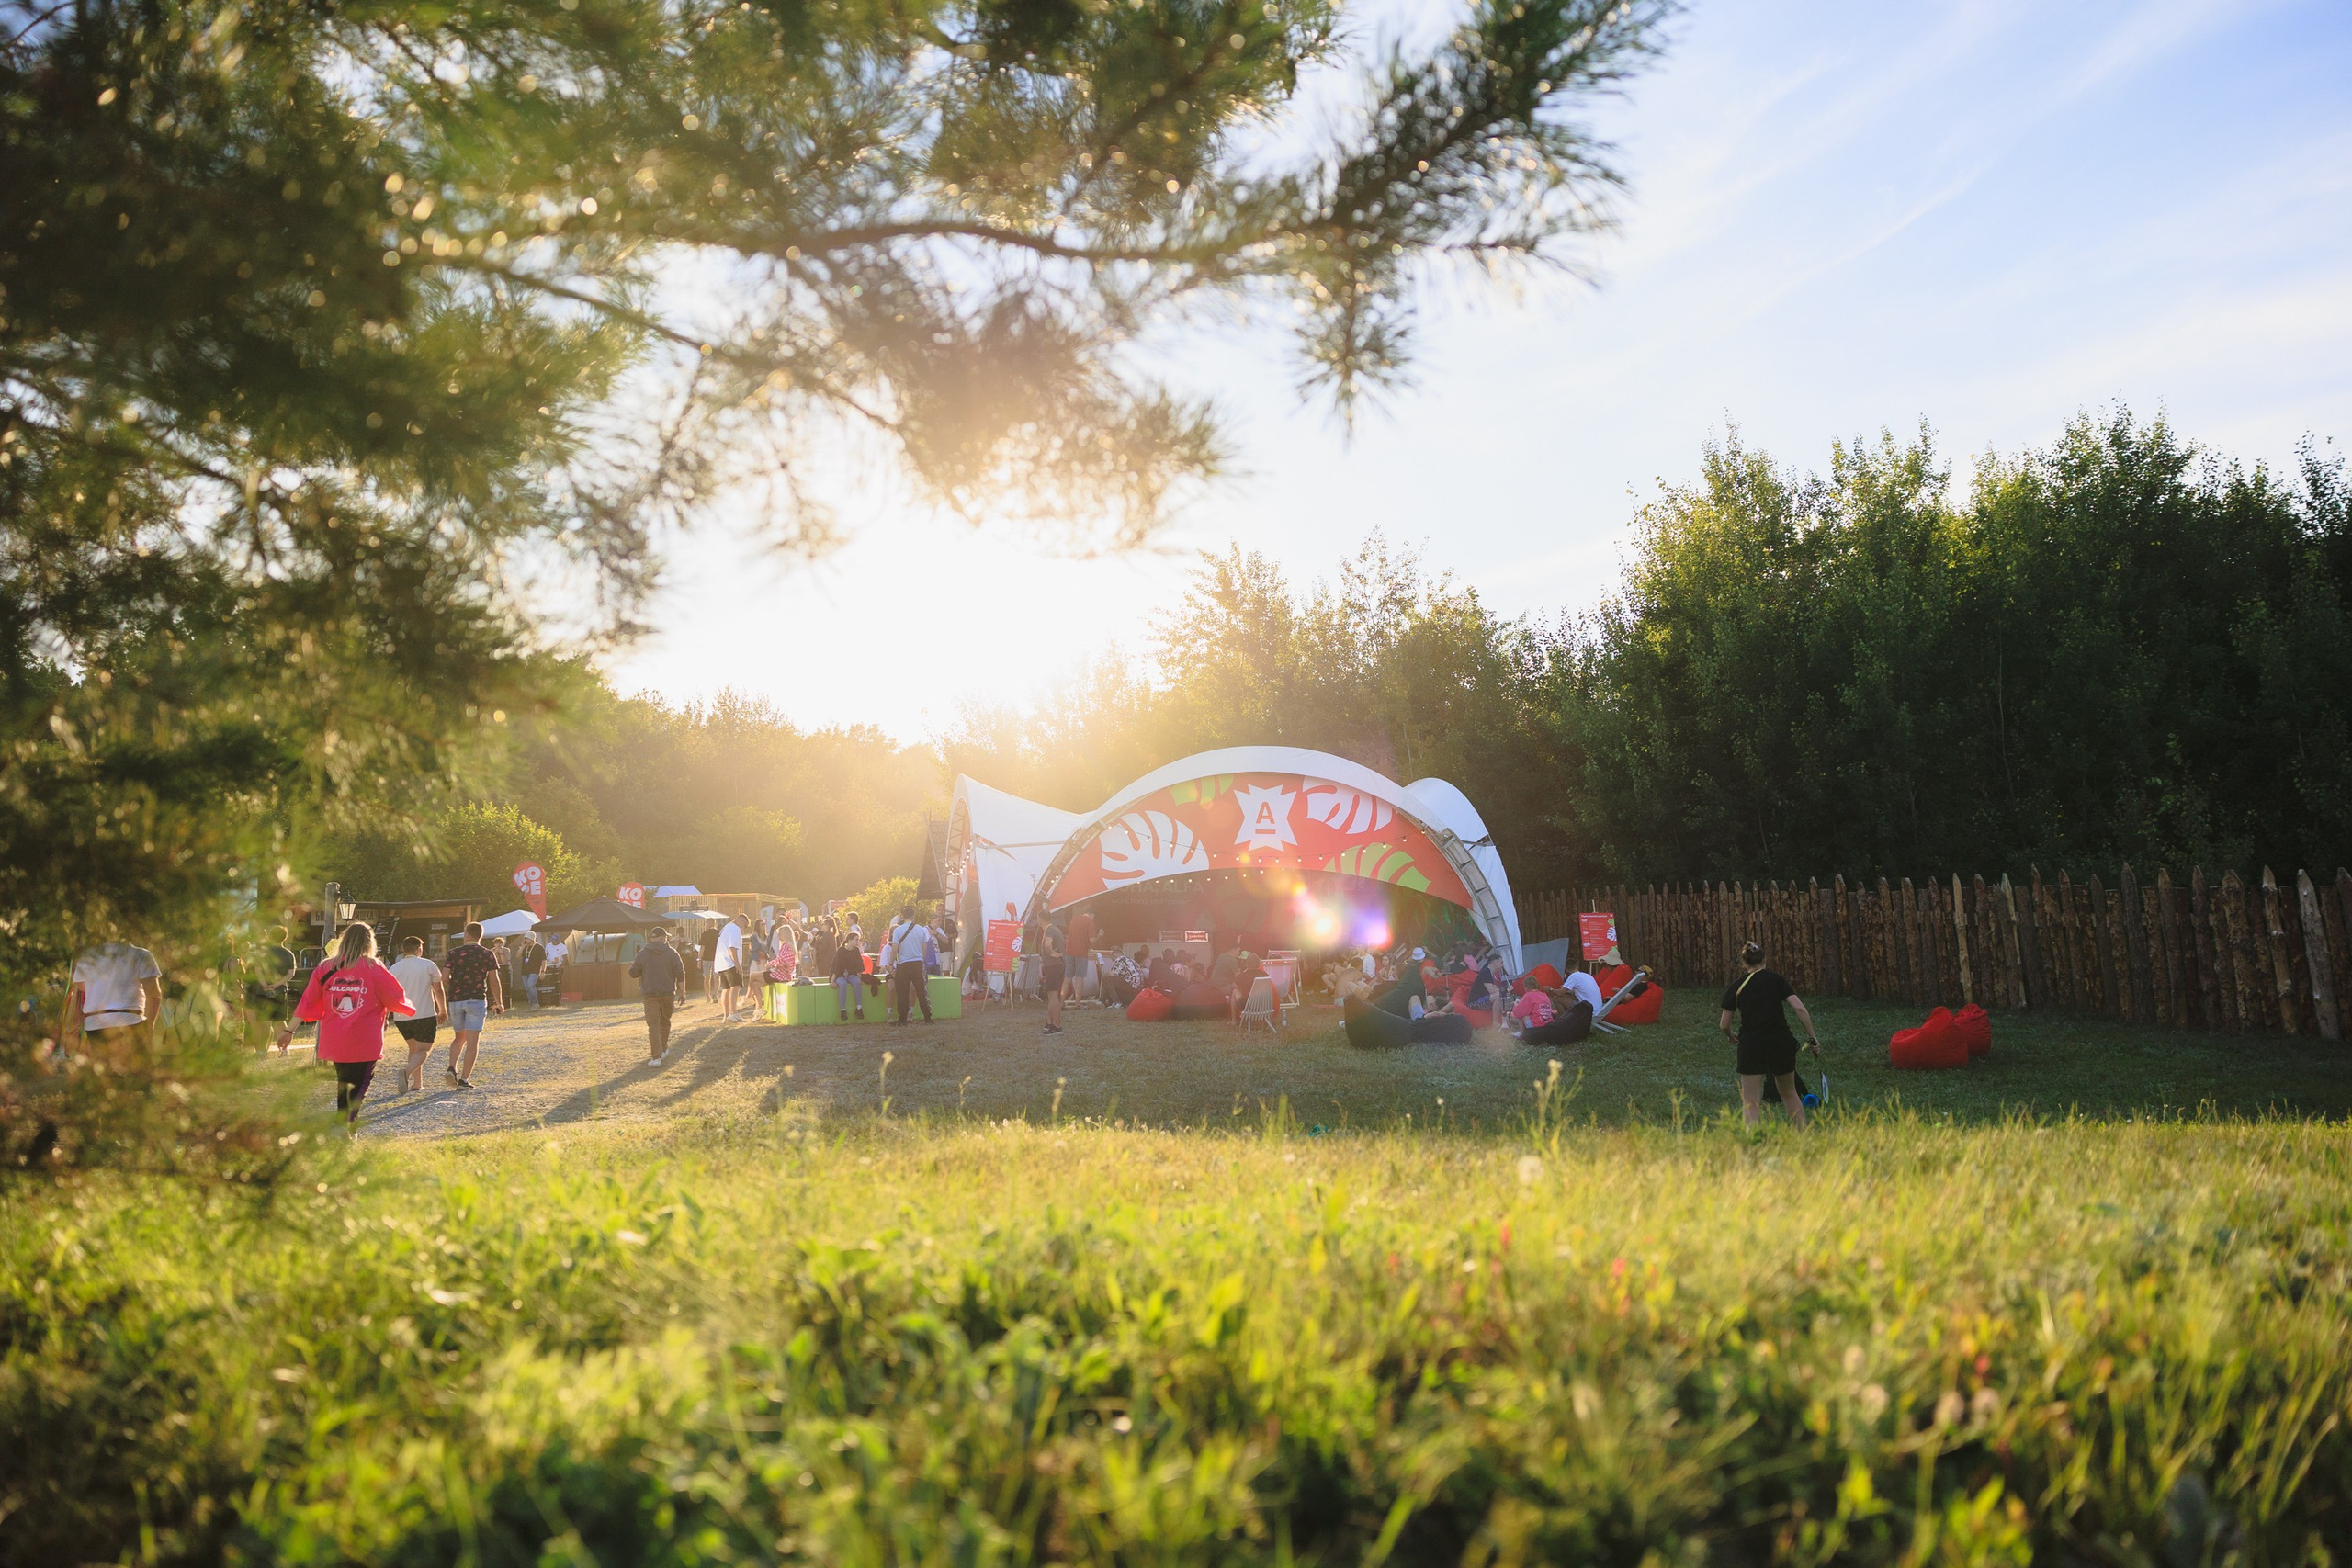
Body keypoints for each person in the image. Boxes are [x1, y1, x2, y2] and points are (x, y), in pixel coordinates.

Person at [291, 921, 413, 1134]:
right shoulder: (374, 967)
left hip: (335, 1037)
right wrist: (408, 1007)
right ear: (369, 943)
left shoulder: (326, 967)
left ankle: (348, 1128)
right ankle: (343, 1124)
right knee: (360, 1083)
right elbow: (394, 996)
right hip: (365, 1038)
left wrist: (289, 1030)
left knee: (344, 1081)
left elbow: (308, 1001)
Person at [1719, 941, 1822, 1131]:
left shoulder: (1737, 986)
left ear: (1744, 963)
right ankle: (1802, 1137)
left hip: (1751, 1044)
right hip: (1780, 1042)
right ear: (1765, 959)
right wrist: (1812, 1038)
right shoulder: (1777, 980)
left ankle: (1754, 1141)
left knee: (1750, 1099)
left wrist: (1731, 1035)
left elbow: (1724, 1024)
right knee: (1789, 1093)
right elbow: (1799, 1008)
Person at [64, 937, 163, 1065]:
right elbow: (154, 995)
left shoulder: (87, 957)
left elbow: (82, 986)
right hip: (131, 1021)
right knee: (136, 1071)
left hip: (95, 1024)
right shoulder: (141, 955)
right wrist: (149, 1027)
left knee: (104, 1071)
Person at [440, 921, 503, 1089]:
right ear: (480, 936)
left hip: (456, 1000)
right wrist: (499, 1002)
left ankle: (452, 1067)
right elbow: (494, 981)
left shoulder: (453, 953)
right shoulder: (487, 954)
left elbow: (444, 977)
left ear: (467, 934)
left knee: (459, 1037)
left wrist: (455, 986)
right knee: (472, 1042)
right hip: (476, 999)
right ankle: (464, 1080)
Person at [387, 936, 447, 1093]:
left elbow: (389, 994)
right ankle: (406, 1073)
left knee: (413, 1049)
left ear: (403, 949)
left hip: (401, 1016)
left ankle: (417, 1083)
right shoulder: (428, 965)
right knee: (424, 1049)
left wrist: (386, 1016)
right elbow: (438, 989)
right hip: (424, 1013)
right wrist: (442, 1010)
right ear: (419, 948)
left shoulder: (394, 968)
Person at [629, 927, 688, 1066]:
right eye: (666, 937)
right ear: (662, 938)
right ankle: (663, 1048)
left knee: (653, 1025)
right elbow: (680, 973)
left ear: (651, 938)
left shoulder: (642, 953)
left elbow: (633, 973)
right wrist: (682, 992)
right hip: (668, 993)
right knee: (665, 1021)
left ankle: (656, 1057)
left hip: (650, 995)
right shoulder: (672, 953)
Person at [883, 905, 933, 1025]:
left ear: (902, 916)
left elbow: (894, 949)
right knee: (921, 991)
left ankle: (902, 1018)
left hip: (903, 964)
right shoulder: (921, 930)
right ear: (913, 916)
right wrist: (921, 959)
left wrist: (890, 963)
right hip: (917, 963)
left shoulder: (898, 930)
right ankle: (927, 1017)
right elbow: (925, 948)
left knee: (902, 992)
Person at [1372, 946, 1430, 1017]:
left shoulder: (1411, 969)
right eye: (1383, 960)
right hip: (1409, 999)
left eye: (1386, 960)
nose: (1384, 961)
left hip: (1388, 1004)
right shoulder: (1414, 969)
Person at [830, 926, 868, 1021]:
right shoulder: (841, 950)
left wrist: (859, 979)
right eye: (856, 940)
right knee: (842, 984)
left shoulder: (856, 950)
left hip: (851, 974)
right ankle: (843, 1010)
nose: (858, 942)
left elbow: (859, 966)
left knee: (857, 983)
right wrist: (833, 981)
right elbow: (836, 966)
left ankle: (859, 1008)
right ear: (850, 940)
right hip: (840, 974)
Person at [1037, 920, 1066, 1036]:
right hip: (1056, 966)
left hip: (1053, 965)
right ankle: (1050, 1022)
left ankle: (1057, 1026)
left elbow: (1048, 944)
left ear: (1040, 919)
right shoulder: (1056, 929)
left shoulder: (1049, 930)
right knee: (1052, 996)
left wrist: (1050, 953)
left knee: (1053, 996)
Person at [1063, 907, 1097, 1002]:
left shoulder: (1074, 919)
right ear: (1091, 914)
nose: (1094, 918)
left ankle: (1061, 1001)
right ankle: (1078, 1003)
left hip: (1069, 951)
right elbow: (1092, 940)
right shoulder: (1090, 922)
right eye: (1094, 916)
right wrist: (1099, 936)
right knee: (1079, 979)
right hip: (1081, 952)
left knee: (1067, 978)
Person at [696, 920, 723, 1004]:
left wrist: (699, 959)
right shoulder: (719, 933)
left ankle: (708, 996)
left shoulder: (704, 934)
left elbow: (702, 948)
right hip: (717, 958)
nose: (706, 925)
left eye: (706, 923)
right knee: (717, 978)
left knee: (707, 978)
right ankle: (714, 993)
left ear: (710, 923)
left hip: (706, 958)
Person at [518, 936, 545, 1008]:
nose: (525, 940)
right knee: (527, 988)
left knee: (530, 985)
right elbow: (518, 956)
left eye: (527, 938)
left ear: (532, 938)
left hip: (534, 970)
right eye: (525, 938)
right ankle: (532, 1004)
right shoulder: (525, 947)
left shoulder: (539, 947)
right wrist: (522, 947)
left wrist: (543, 971)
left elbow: (544, 960)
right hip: (524, 971)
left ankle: (535, 1003)